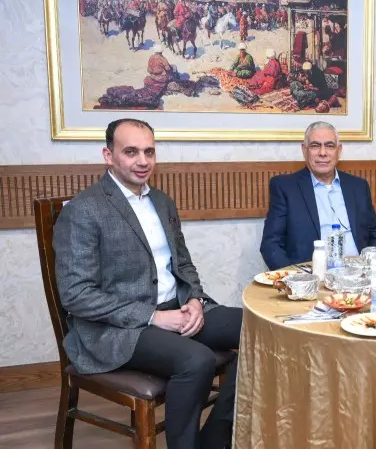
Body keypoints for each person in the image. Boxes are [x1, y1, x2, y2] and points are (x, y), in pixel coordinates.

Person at [53, 119, 242, 449]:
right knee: (196, 361)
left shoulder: (162, 201)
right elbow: (76, 295)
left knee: (261, 330)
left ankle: (214, 440)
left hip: (176, 308)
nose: (143, 161)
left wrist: (195, 300)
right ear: (108, 155)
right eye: (131, 152)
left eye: (149, 152)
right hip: (118, 328)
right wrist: (153, 317)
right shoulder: (84, 210)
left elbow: (183, 264)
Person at [260, 121, 376, 269]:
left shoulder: (358, 186)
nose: (323, 153)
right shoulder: (285, 187)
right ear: (304, 150)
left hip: (359, 274)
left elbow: (375, 233)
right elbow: (271, 244)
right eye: (315, 145)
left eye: (329, 146)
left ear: (339, 150)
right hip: (312, 276)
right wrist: (295, 277)